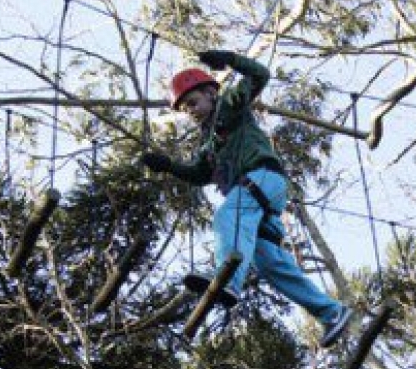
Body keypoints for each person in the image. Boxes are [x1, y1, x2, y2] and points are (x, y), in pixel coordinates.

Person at [142, 49, 352, 347]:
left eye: (193, 102)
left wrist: (229, 60)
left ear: (211, 94)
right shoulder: (209, 144)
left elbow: (259, 75)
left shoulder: (229, 105)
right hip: (257, 196)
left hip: (263, 178)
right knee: (269, 262)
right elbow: (199, 174)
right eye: (186, 110)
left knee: (228, 216)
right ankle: (332, 313)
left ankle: (227, 281)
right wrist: (168, 165)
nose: (191, 111)